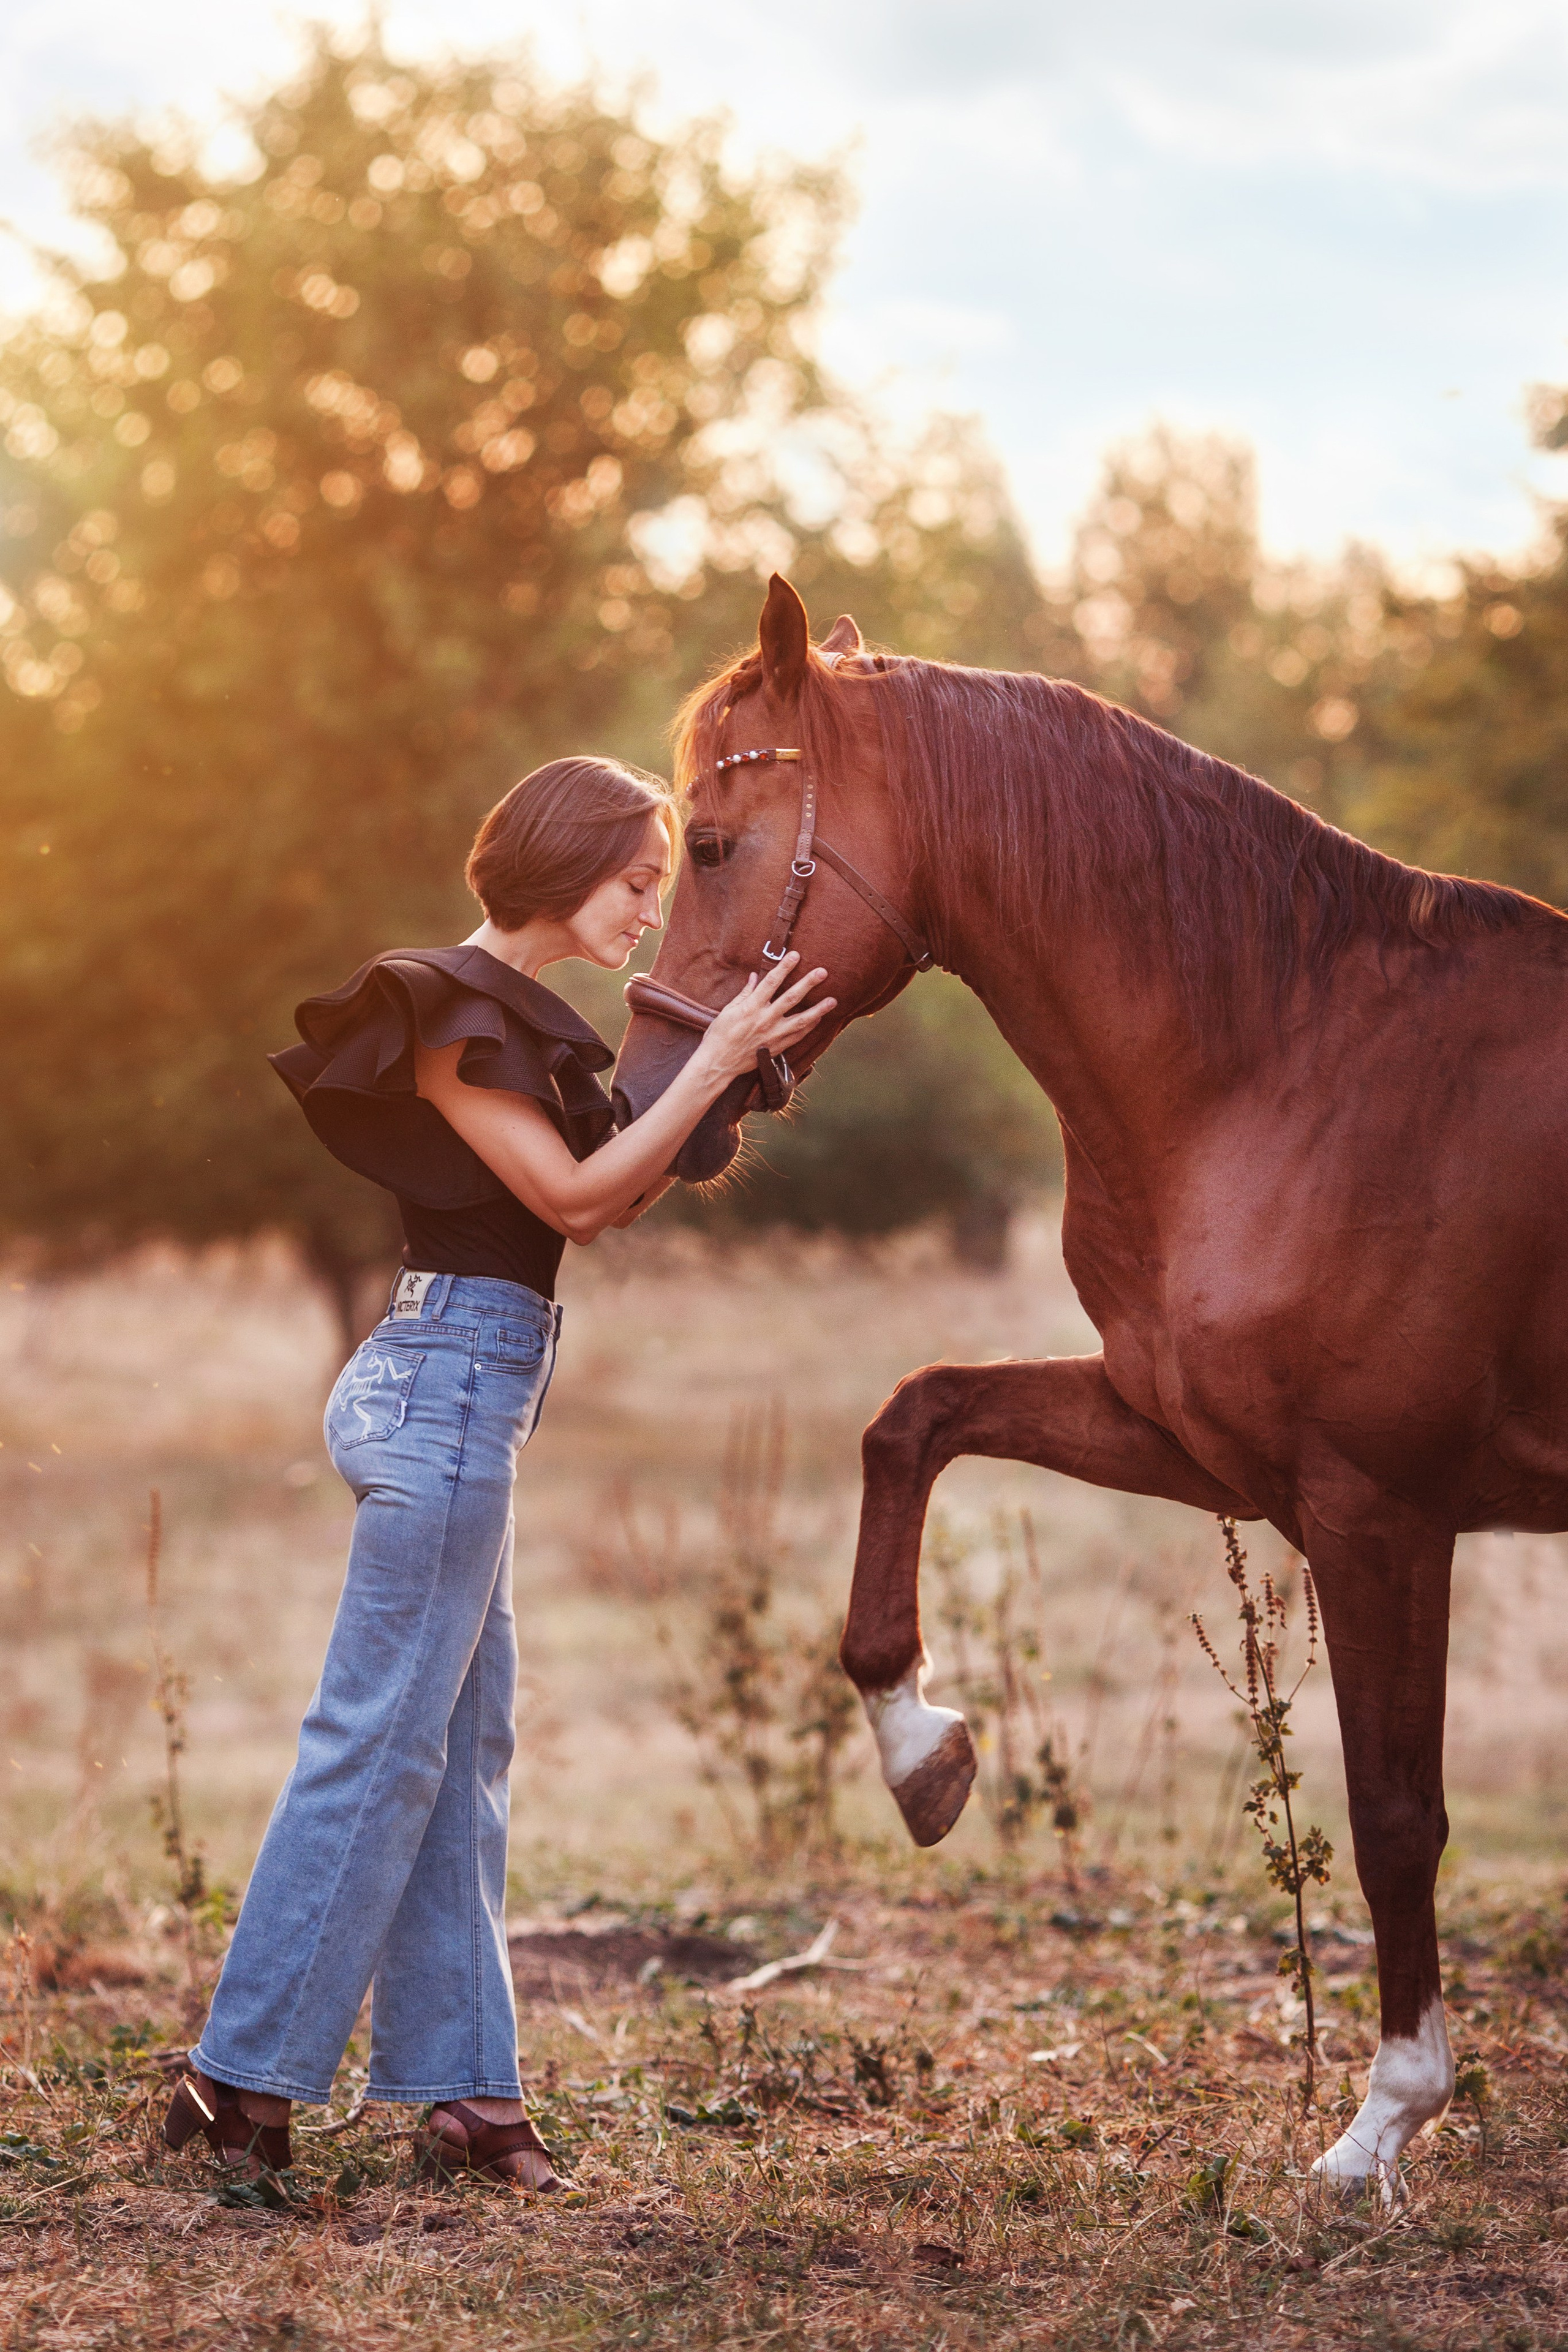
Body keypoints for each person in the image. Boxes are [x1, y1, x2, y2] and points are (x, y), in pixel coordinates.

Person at [162, 756, 832, 2188]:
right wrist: (708, 1062)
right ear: (559, 861)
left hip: (474, 1390)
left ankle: (465, 2094)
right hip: (443, 1391)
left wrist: (736, 1066)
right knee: (380, 1746)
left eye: (664, 887)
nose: (654, 913)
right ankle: (238, 2079)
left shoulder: (530, 1030)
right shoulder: (443, 1009)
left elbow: (625, 1182)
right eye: (637, 881)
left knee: (459, 1753)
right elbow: (576, 1201)